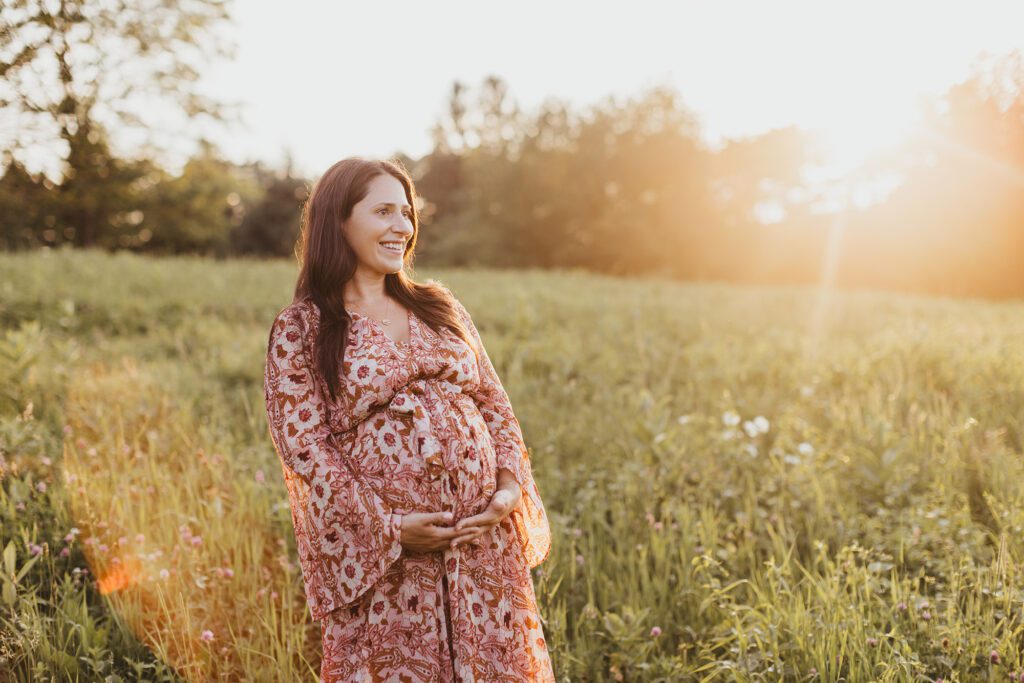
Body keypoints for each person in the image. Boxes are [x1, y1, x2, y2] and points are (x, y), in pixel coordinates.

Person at [263, 156, 554, 681]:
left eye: (407, 213)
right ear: (339, 221)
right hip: (388, 561)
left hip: (483, 543)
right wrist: (391, 529)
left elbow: (494, 403)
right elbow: (305, 447)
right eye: (383, 212)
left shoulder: (439, 305)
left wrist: (507, 492)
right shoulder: (303, 328)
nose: (403, 227)